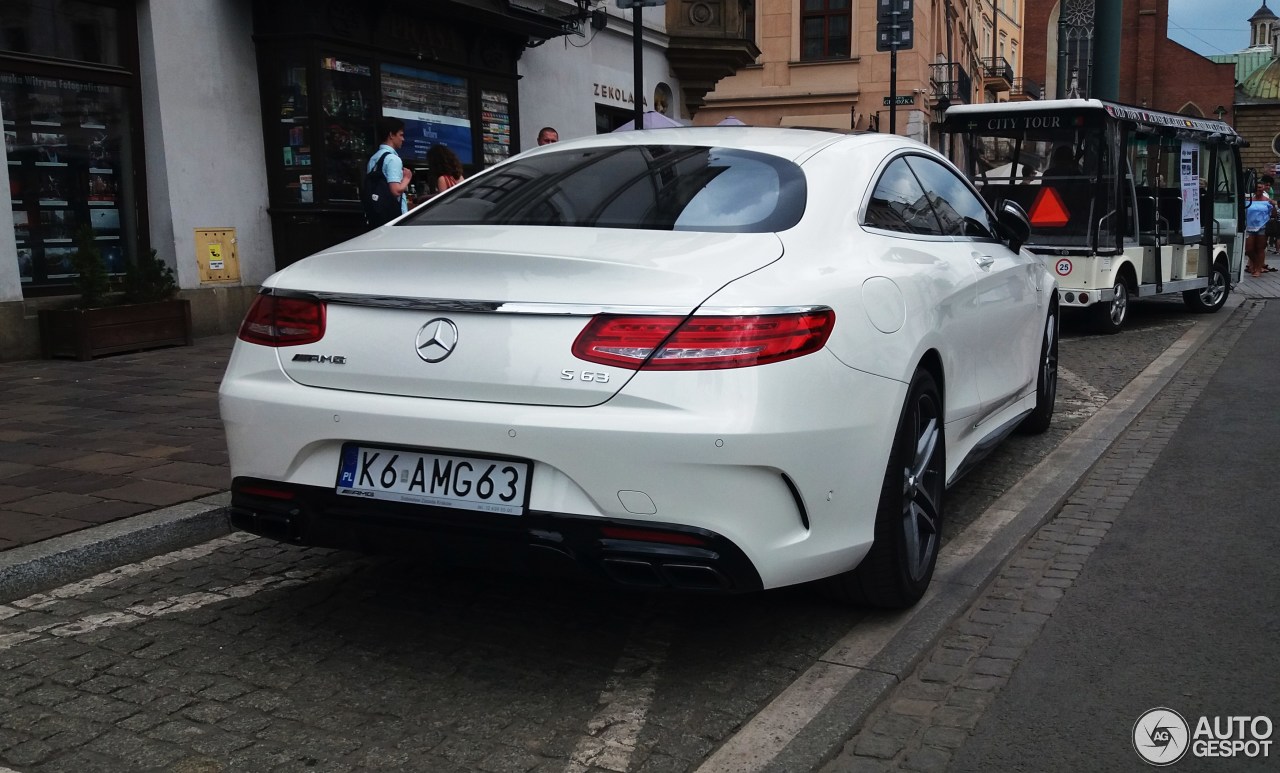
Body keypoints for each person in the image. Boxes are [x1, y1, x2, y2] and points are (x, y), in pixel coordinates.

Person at [367, 117, 412, 219]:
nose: (403, 139)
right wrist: (407, 178)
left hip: (376, 213)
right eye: (401, 135)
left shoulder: (373, 158)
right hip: (393, 215)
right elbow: (396, 190)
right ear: (391, 135)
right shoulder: (393, 159)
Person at [1243, 180, 1275, 277]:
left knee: (1260, 248)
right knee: (1248, 249)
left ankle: (1257, 269)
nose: (1258, 189)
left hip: (1263, 227)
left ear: (1264, 189)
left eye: (1260, 188)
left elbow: (1273, 215)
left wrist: (1274, 205)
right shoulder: (1248, 200)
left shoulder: (1267, 201)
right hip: (1250, 226)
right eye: (1256, 188)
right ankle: (1257, 264)